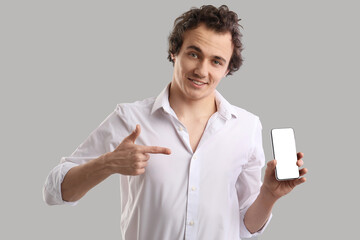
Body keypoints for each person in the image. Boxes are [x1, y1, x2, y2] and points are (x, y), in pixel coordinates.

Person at [43, 5, 307, 240]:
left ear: (227, 69)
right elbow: (53, 191)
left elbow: (245, 227)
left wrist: (270, 195)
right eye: (194, 54)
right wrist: (108, 163)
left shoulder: (247, 127)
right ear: (174, 52)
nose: (202, 70)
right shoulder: (130, 118)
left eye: (216, 61)